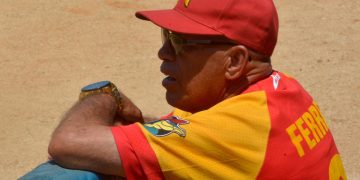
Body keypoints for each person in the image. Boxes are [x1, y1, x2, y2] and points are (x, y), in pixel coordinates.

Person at [21, 0, 347, 179]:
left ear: (234, 62)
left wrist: (105, 94)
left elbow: (68, 143)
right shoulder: (283, 90)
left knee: (64, 177)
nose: (163, 53)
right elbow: (193, 136)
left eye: (179, 42)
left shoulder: (235, 130)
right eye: (165, 37)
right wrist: (140, 127)